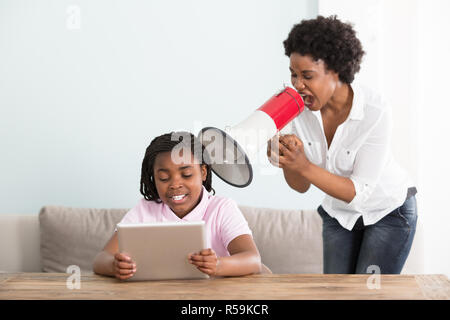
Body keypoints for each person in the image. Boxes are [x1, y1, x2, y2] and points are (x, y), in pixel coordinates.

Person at [267, 15, 417, 274]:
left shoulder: (374, 110)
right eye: (293, 74)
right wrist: (288, 160)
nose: (297, 85)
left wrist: (303, 164)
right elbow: (300, 186)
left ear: (335, 71)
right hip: (339, 214)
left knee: (368, 293)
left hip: (388, 211)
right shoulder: (295, 109)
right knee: (335, 292)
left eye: (307, 76)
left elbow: (358, 193)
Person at [93, 131, 270, 280]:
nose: (175, 184)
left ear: (202, 172)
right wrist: (114, 265)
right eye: (163, 178)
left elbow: (253, 260)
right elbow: (101, 259)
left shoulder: (222, 209)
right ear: (153, 178)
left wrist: (218, 265)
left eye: (186, 174)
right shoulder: (145, 210)